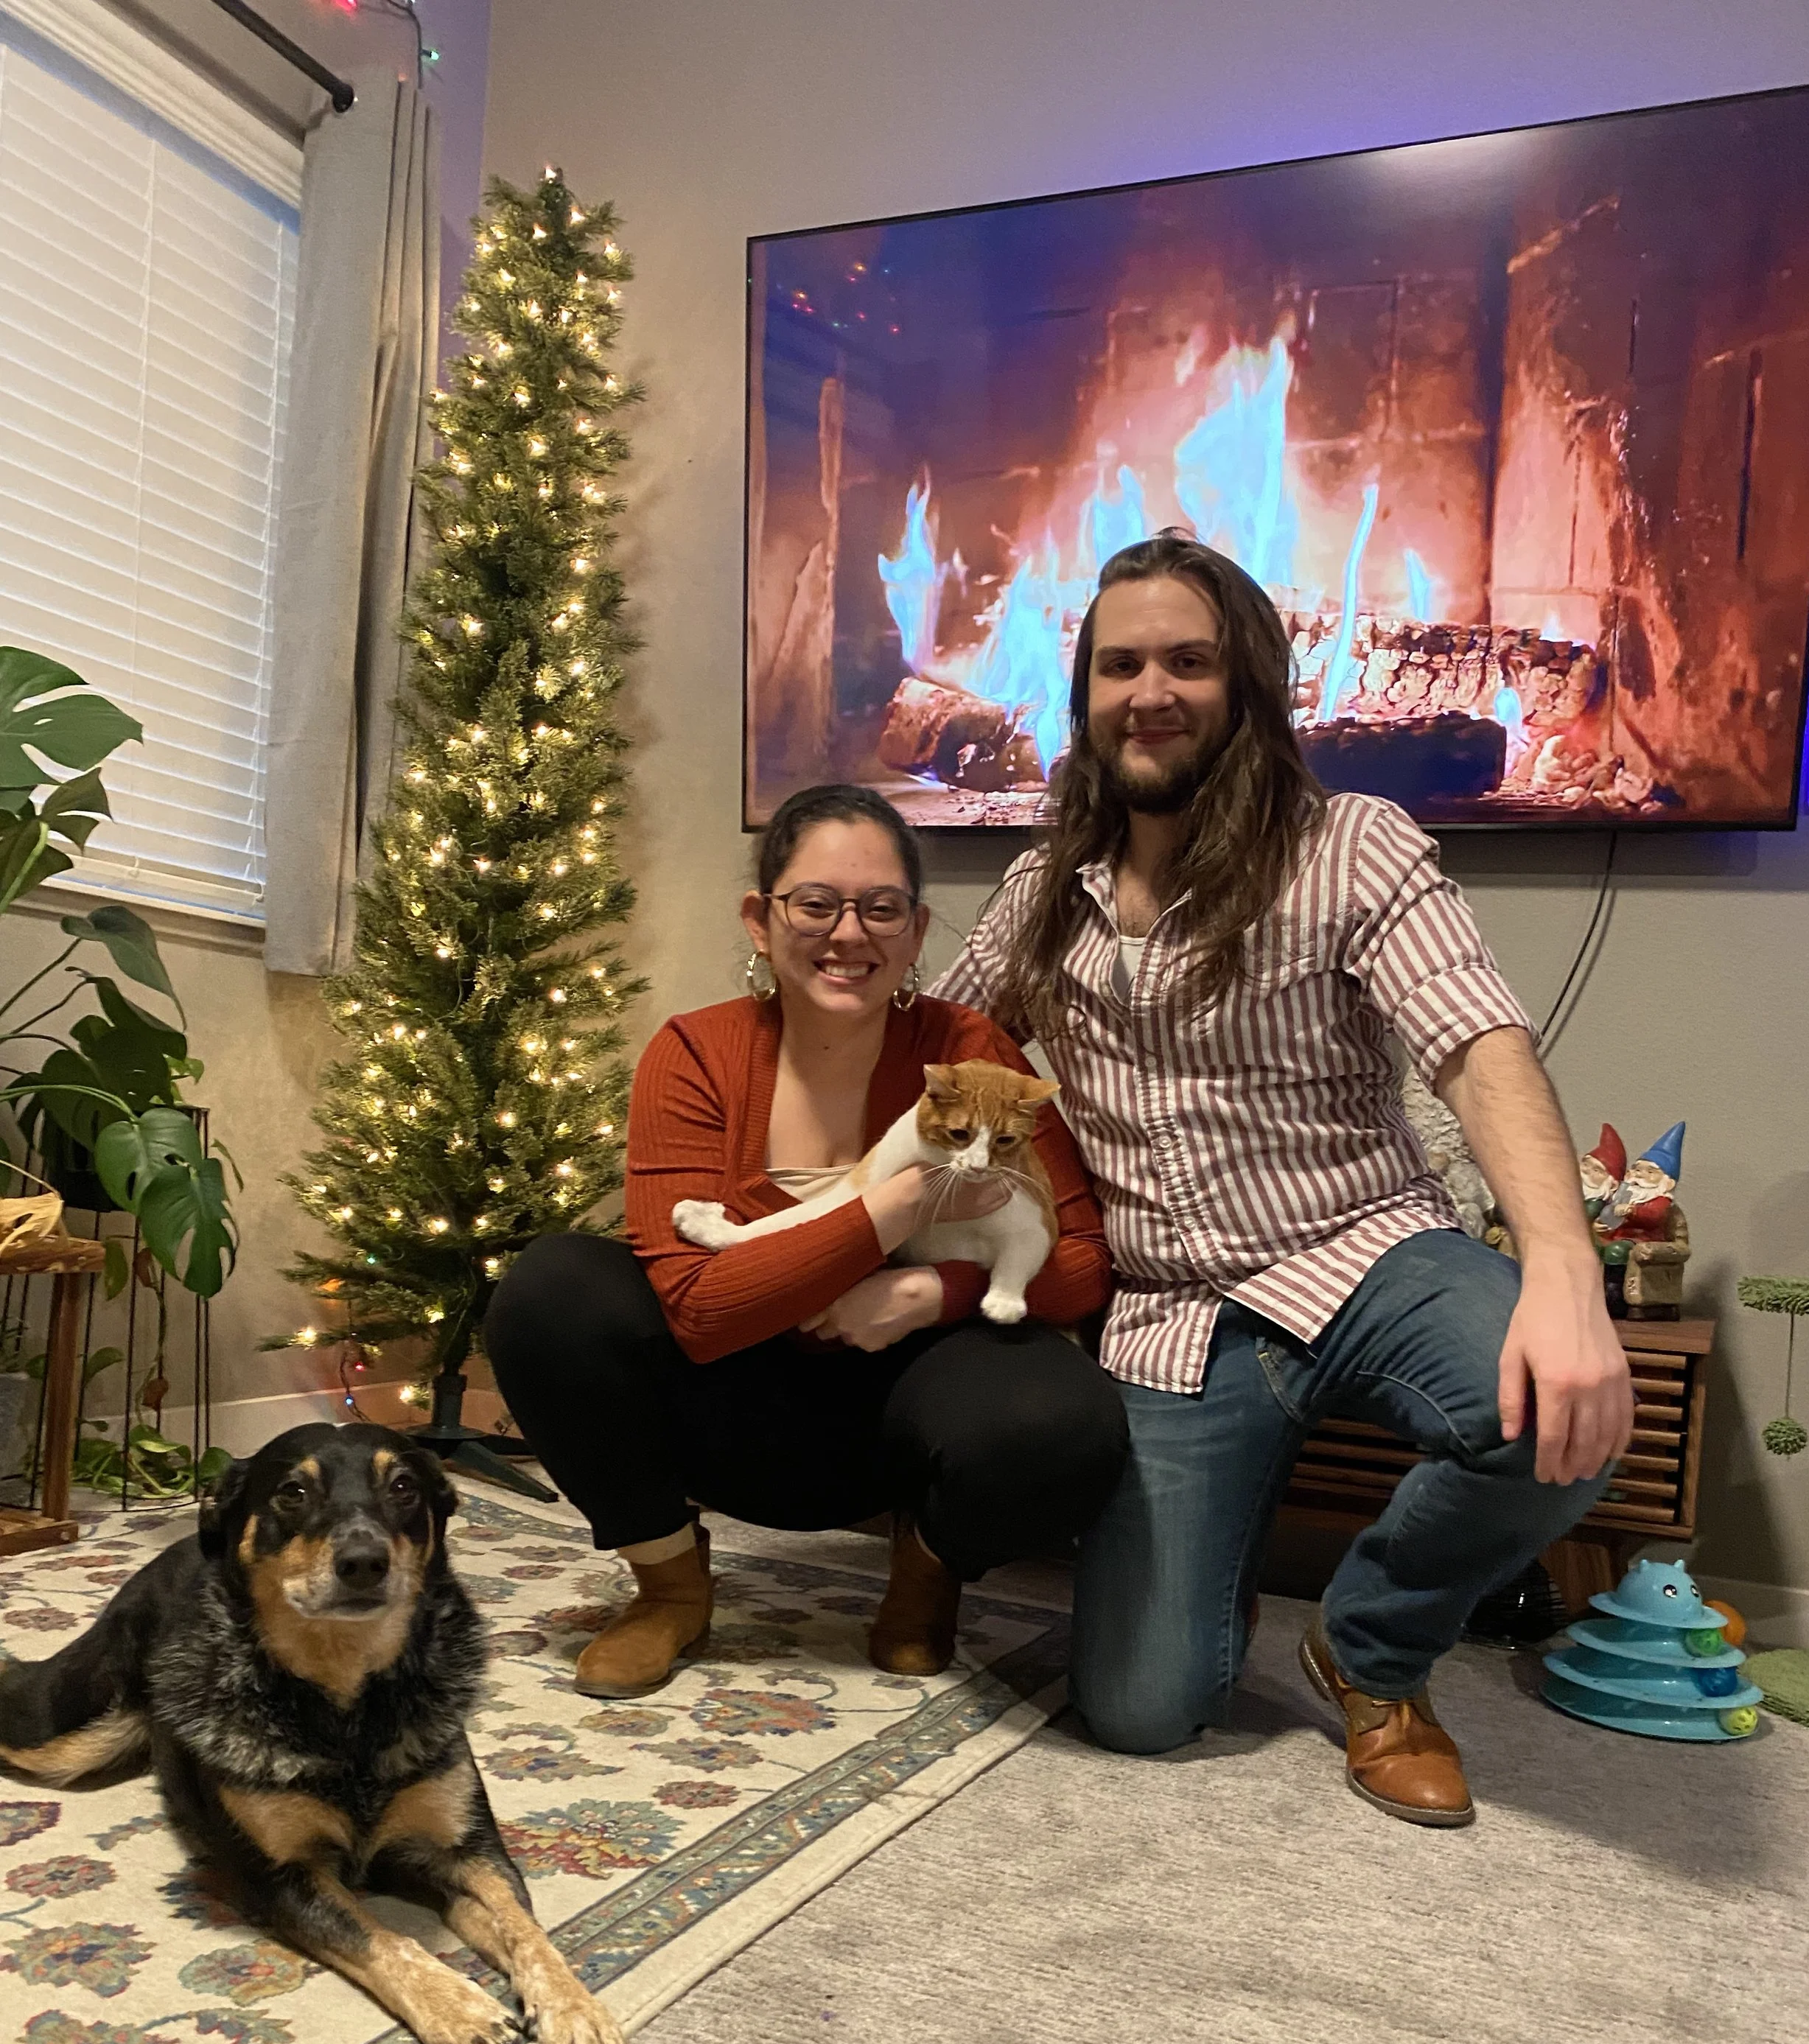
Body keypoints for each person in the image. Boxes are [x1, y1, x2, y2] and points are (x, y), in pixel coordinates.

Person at [934, 531, 1634, 1827]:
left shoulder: (1352, 846)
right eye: (1121, 666)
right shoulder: (1041, 891)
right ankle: (1206, 1581)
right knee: (1139, 1710)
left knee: (1555, 1402)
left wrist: (1561, 1268)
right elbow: (937, 1051)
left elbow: (1478, 1045)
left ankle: (1371, 1648)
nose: (1151, 692)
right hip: (1171, 1314)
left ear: (1250, 681)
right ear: (1085, 696)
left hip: (1365, 1250)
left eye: (1188, 662)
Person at [484, 784, 1127, 1699]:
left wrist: (932, 1294)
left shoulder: (969, 1052)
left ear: (915, 930)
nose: (848, 934)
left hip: (907, 1400)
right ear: (761, 920)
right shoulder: (696, 1051)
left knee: (1063, 1418)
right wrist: (895, 1211)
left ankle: (926, 1578)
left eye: (882, 909)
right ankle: (669, 1590)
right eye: (816, 904)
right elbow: (700, 1312)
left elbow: (1079, 1267)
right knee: (551, 1291)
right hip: (731, 1397)